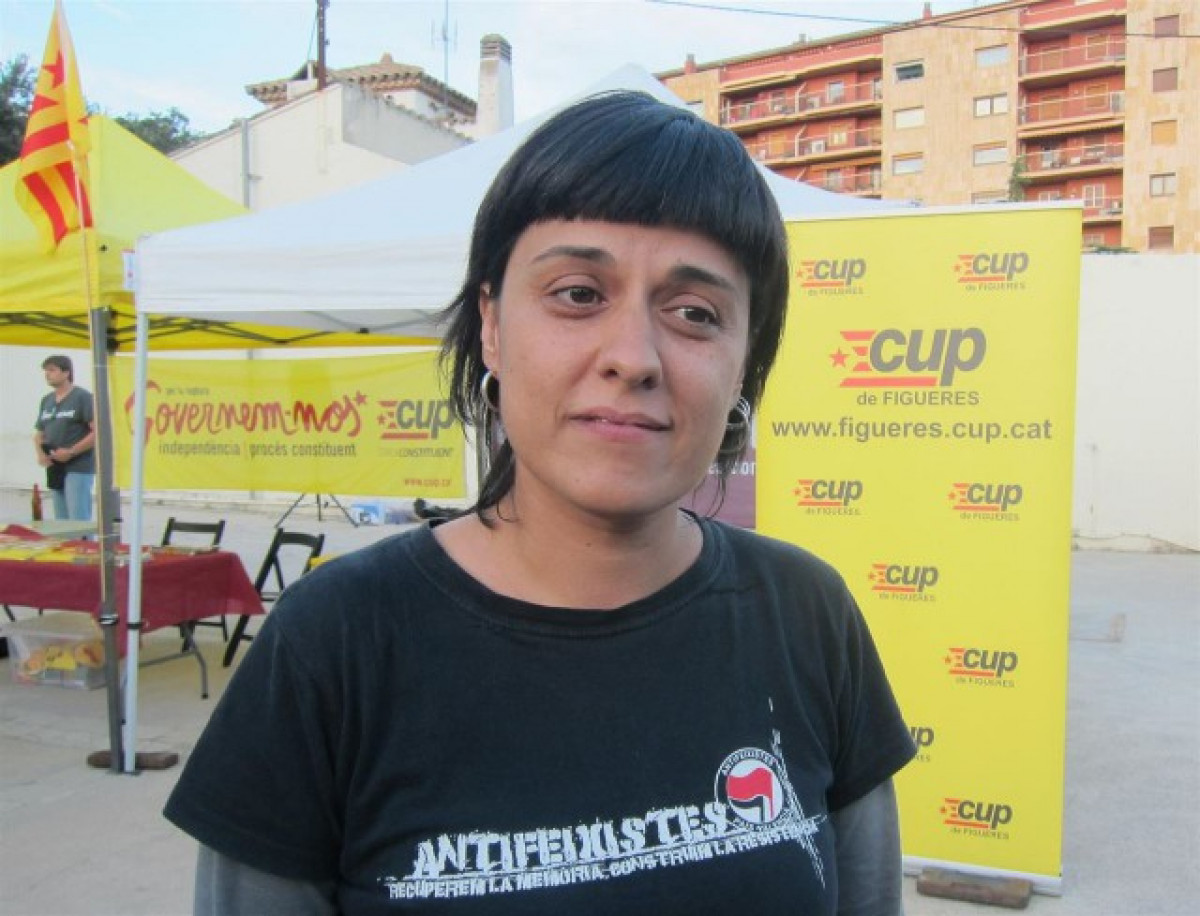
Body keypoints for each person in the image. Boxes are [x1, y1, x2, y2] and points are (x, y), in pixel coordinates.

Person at [164, 91, 916, 915]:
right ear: (491, 325)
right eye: (579, 294)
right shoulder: (335, 643)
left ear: (744, 360)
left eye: (695, 313)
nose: (633, 357)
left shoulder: (806, 614)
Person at [33, 354, 96, 521]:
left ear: (66, 372)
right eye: (46, 371)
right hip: (55, 465)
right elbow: (39, 433)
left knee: (78, 517)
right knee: (61, 520)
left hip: (78, 466)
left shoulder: (82, 397)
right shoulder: (47, 400)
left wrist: (71, 451)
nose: (47, 374)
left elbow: (97, 432)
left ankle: (84, 539)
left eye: (52, 370)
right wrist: (41, 454)